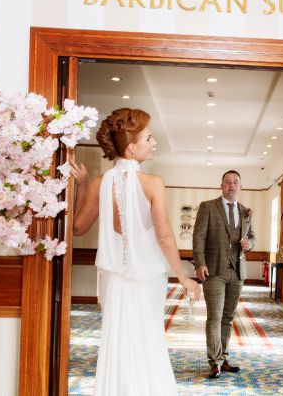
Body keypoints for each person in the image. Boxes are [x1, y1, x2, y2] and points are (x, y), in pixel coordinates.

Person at [70, 108, 200, 395]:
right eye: (149, 138)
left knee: (117, 342)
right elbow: (165, 237)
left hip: (112, 280)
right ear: (131, 147)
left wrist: (81, 186)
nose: (155, 143)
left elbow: (77, 228)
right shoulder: (153, 183)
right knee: (147, 340)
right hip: (148, 278)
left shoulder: (99, 183)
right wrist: (183, 277)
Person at [192, 170, 255, 379]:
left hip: (237, 272)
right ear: (221, 186)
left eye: (235, 182)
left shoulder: (246, 211)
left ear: (241, 186)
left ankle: (224, 357)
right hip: (214, 270)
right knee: (215, 316)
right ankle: (214, 361)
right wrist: (199, 264)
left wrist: (249, 244)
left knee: (228, 317)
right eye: (227, 182)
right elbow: (198, 237)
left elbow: (251, 237)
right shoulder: (208, 207)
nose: (231, 185)